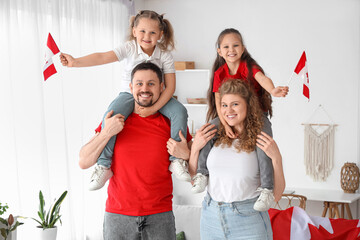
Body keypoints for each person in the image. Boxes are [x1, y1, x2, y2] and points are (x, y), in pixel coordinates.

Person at [61, 10, 190, 191]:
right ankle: (104, 165)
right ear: (134, 30)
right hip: (129, 96)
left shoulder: (165, 55)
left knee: (180, 111)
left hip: (158, 97)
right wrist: (75, 62)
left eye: (153, 33)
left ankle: (176, 160)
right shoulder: (129, 48)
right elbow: (102, 56)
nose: (147, 36)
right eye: (143, 31)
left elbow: (169, 88)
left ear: (160, 34)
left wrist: (153, 109)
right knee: (111, 114)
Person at [79, 62, 192, 240]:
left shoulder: (171, 122)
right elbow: (84, 161)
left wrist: (186, 155)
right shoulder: (115, 119)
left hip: (160, 216)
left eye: (151, 84)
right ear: (131, 87)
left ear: (162, 87)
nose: (144, 89)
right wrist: (106, 133)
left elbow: (194, 171)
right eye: (139, 83)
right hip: (118, 217)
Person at [192, 28, 288, 211]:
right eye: (226, 46)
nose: (231, 49)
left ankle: (267, 189)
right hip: (227, 114)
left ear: (243, 48)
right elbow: (219, 101)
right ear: (219, 51)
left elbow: (262, 79)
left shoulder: (248, 67)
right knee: (207, 131)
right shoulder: (220, 73)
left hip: (257, 113)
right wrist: (225, 123)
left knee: (263, 145)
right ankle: (202, 174)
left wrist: (273, 90)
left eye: (236, 45)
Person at [188, 79, 285, 240]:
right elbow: (194, 180)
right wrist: (195, 149)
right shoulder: (214, 137)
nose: (228, 110)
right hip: (211, 217)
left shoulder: (261, 141)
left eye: (235, 104)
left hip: (249, 221)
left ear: (248, 105)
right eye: (224, 105)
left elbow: (276, 195)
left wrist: (277, 158)